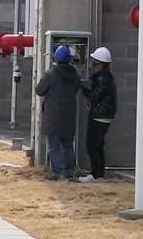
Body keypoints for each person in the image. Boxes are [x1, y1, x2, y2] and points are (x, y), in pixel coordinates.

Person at [34, 44, 82, 180]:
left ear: (55, 59)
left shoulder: (51, 74)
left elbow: (39, 90)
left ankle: (57, 173)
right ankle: (68, 173)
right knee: (68, 146)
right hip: (69, 116)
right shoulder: (75, 74)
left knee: (54, 147)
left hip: (53, 116)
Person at [77, 47, 115, 183]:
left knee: (92, 145)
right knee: (98, 145)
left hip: (99, 115)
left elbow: (96, 97)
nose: (92, 61)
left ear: (98, 61)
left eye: (94, 59)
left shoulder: (103, 77)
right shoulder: (106, 76)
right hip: (104, 115)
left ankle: (95, 175)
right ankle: (99, 175)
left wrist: (83, 91)